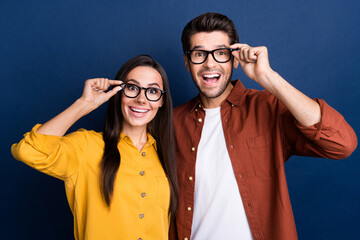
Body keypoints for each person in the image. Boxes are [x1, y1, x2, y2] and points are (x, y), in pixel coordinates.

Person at [170, 13, 357, 240]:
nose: (210, 63)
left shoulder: (269, 108)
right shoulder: (172, 123)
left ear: (235, 59)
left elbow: (342, 144)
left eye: (221, 53)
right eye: (199, 54)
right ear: (187, 62)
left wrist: (267, 77)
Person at [11, 55, 178, 240]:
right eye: (132, 88)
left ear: (162, 101)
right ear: (118, 93)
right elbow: (29, 150)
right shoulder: (86, 146)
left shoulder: (166, 155)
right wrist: (84, 105)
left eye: (153, 91)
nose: (141, 99)